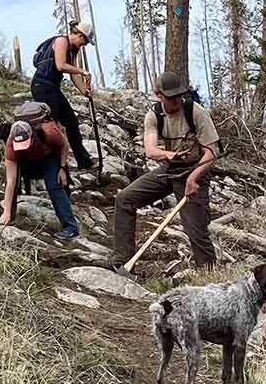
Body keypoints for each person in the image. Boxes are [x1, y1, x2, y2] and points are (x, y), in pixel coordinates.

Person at [111, 72, 219, 270]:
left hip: (196, 169)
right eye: (171, 97)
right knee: (124, 199)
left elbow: (212, 151)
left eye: (179, 95)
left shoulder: (196, 112)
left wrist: (194, 177)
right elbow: (150, 150)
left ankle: (209, 272)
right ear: (158, 94)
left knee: (195, 228)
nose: (176, 100)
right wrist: (167, 155)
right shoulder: (154, 116)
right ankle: (122, 262)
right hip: (169, 169)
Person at [0, 101, 80, 240]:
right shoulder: (11, 145)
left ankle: (70, 228)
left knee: (54, 185)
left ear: (32, 135)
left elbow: (64, 144)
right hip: (27, 160)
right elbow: (11, 180)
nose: (22, 146)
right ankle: (9, 218)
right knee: (13, 182)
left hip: (49, 157)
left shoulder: (49, 132)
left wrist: (62, 168)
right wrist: (6, 211)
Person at [30, 20, 96, 170]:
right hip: (42, 86)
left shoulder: (73, 50)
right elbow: (61, 65)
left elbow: (73, 76)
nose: (84, 45)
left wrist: (85, 92)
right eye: (84, 41)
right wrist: (82, 71)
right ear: (79, 35)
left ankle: (83, 161)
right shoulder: (61, 41)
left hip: (53, 88)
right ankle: (52, 165)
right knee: (52, 127)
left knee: (71, 122)